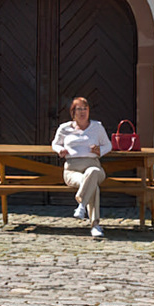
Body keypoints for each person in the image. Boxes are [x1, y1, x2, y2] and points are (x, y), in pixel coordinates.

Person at [52, 96, 111, 238]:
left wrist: (100, 151)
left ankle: (82, 205)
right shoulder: (64, 128)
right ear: (73, 112)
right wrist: (60, 150)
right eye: (79, 109)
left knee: (93, 173)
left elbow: (108, 145)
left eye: (85, 108)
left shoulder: (97, 127)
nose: (83, 112)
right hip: (72, 170)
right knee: (92, 185)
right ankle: (95, 224)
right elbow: (55, 143)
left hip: (94, 166)